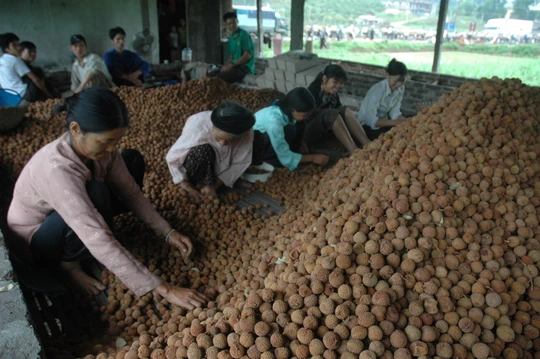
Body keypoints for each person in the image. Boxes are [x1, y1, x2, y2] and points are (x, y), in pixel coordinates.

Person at [6, 88, 208, 309]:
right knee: (96, 191)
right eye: (105, 141)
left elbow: (131, 193)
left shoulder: (105, 152)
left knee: (131, 159)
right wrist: (165, 289)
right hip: (39, 239)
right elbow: (94, 234)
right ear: (75, 129)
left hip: (74, 217)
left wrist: (167, 231)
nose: (111, 148)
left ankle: (89, 252)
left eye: (116, 140)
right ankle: (69, 266)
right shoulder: (57, 170)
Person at [166, 101, 263, 203]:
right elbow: (173, 158)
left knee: (257, 137)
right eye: (219, 137)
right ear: (212, 127)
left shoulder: (245, 132)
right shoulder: (198, 128)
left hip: (225, 164)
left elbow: (239, 162)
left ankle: (233, 178)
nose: (222, 143)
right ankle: (201, 184)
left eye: (230, 140)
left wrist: (214, 186)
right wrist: (187, 186)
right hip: (202, 163)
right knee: (201, 151)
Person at [254, 87, 329, 170]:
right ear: (294, 110)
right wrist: (312, 158)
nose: (306, 117)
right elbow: (284, 154)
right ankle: (271, 161)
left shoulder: (285, 111)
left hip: (267, 139)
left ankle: (293, 158)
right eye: (305, 115)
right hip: (255, 148)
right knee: (290, 130)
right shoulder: (274, 122)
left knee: (298, 125)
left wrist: (301, 143)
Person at [306, 64, 371, 154]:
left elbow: (340, 111)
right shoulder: (311, 94)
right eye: (335, 82)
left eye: (341, 83)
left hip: (326, 131)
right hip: (309, 133)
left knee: (344, 109)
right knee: (332, 114)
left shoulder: (333, 94)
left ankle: (367, 143)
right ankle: (354, 151)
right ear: (325, 79)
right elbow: (303, 120)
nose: (338, 85)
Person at [358, 58, 408, 140]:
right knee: (389, 138)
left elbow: (394, 110)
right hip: (367, 127)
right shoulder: (378, 90)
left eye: (402, 82)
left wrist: (404, 120)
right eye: (396, 81)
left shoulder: (400, 88)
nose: (398, 85)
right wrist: (395, 122)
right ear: (387, 75)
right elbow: (370, 120)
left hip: (384, 122)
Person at [0, 33, 52, 102]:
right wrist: (48, 94)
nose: (18, 48)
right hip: (25, 95)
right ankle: (45, 97)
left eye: (18, 44)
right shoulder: (15, 60)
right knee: (37, 71)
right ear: (7, 49)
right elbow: (36, 79)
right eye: (14, 45)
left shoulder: (1, 60)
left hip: (12, 97)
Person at [211, 11, 254, 83]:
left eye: (234, 22)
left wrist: (232, 65)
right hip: (235, 65)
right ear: (226, 25)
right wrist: (226, 66)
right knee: (210, 75)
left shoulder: (243, 34)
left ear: (237, 21)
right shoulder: (231, 36)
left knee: (218, 78)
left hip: (244, 66)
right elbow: (232, 55)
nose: (232, 25)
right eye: (229, 24)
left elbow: (247, 55)